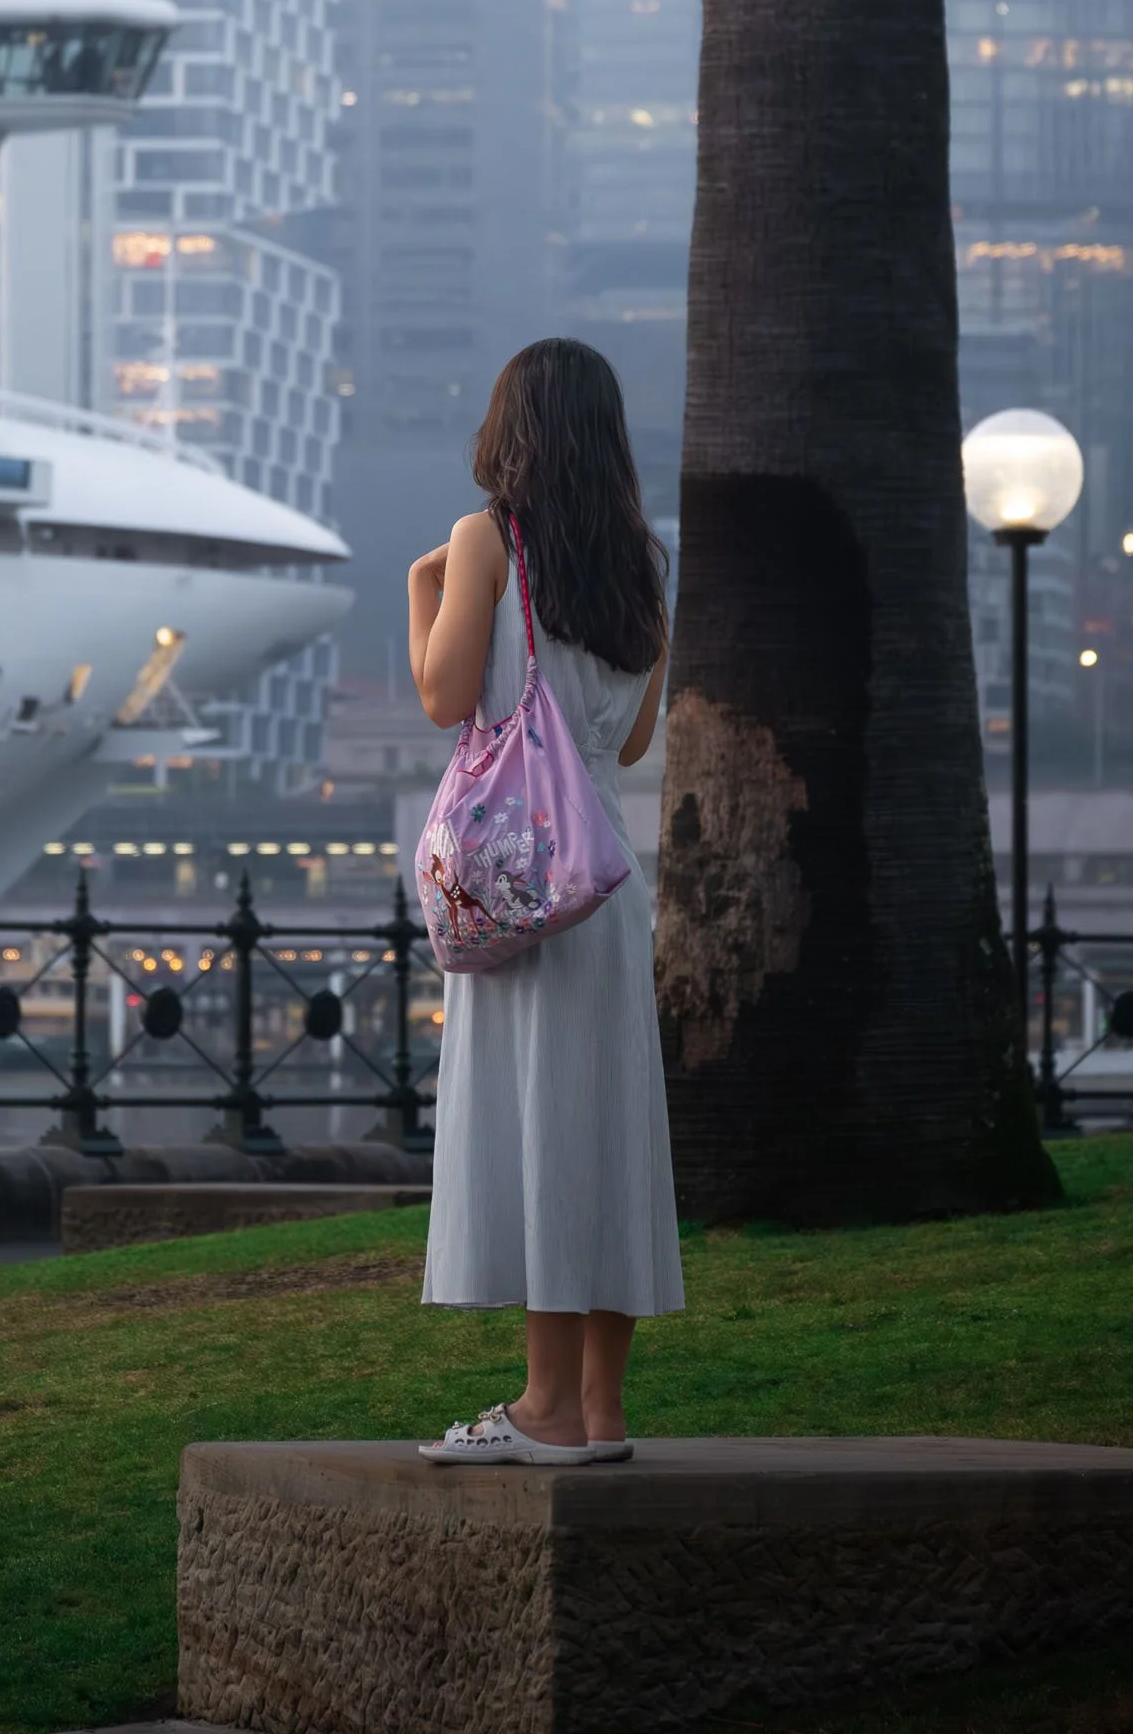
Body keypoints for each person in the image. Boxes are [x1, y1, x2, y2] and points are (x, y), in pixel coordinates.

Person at [407, 337, 685, 1467]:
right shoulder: (640, 563)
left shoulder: (485, 539)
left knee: (534, 1136)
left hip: (522, 889)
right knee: (607, 1136)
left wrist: (425, 583)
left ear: (509, 425)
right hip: (608, 884)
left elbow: (440, 696)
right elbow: (629, 737)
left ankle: (539, 1407)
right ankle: (600, 1411)